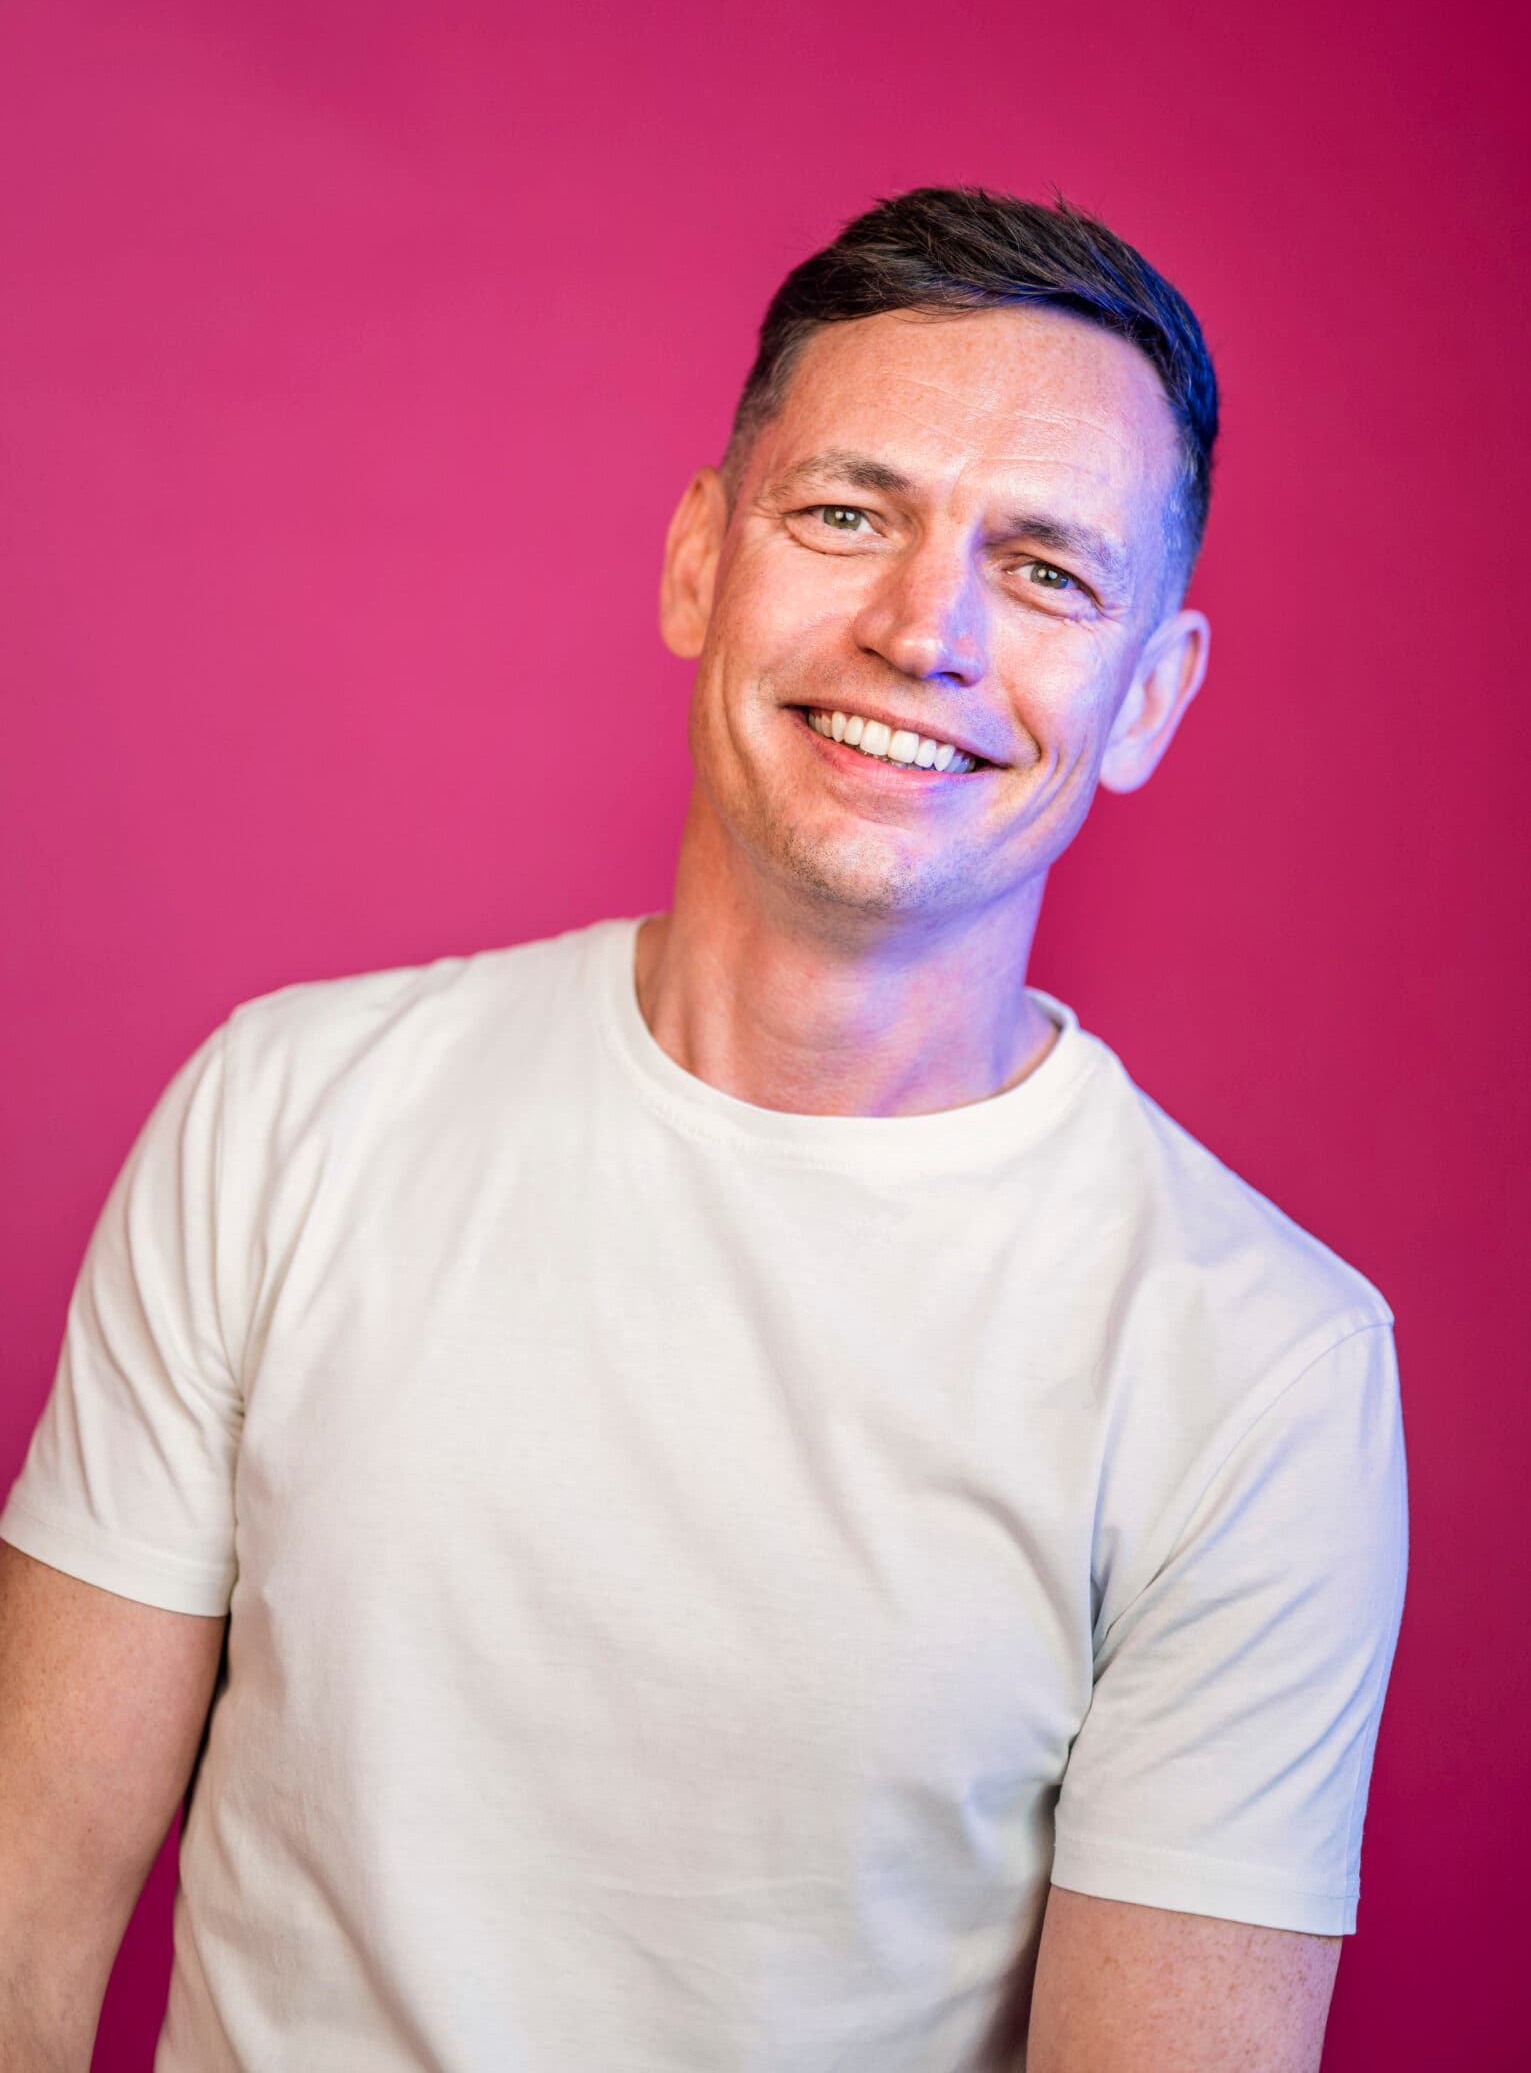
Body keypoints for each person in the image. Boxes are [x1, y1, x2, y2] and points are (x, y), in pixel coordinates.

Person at [0, 186, 1408, 2073]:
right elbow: (24, 1896)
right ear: (698, 564)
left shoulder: (1264, 1370)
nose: (929, 631)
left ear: (1148, 697)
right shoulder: (281, 1118)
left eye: (1049, 573)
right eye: (849, 514)